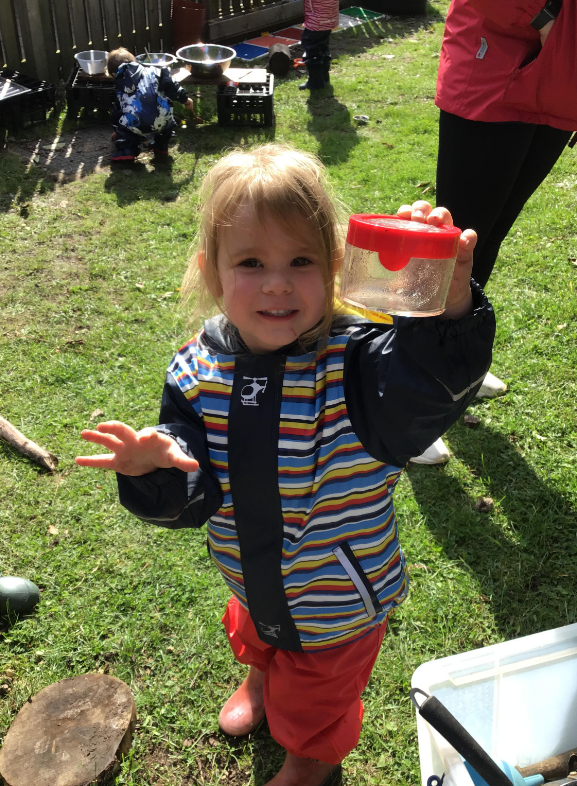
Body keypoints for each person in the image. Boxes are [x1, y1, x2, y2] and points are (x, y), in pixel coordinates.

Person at [76, 145, 495, 786]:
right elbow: (196, 487)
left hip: (337, 599)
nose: (277, 282)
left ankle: (308, 760)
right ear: (213, 274)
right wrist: (155, 471)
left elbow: (429, 386)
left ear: (334, 267)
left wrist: (449, 305)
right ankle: (260, 681)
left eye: (301, 261)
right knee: (257, 637)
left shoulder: (361, 365)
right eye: (251, 262)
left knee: (315, 701)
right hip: (250, 574)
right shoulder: (195, 369)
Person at [413, 0, 577, 465]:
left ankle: (458, 361)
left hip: (560, 75)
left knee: (488, 236)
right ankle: (414, 393)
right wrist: (543, 17)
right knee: (453, 241)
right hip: (496, 59)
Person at [107, 47, 195, 162]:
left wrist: (116, 129)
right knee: (166, 124)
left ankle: (127, 150)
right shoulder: (156, 71)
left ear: (114, 74)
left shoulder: (121, 84)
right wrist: (185, 99)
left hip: (136, 123)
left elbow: (117, 110)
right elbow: (172, 87)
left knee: (126, 129)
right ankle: (161, 146)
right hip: (163, 121)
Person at [299, 0, 339, 90]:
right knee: (323, 47)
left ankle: (316, 82)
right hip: (329, 18)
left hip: (317, 22)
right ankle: (324, 76)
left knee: (312, 50)